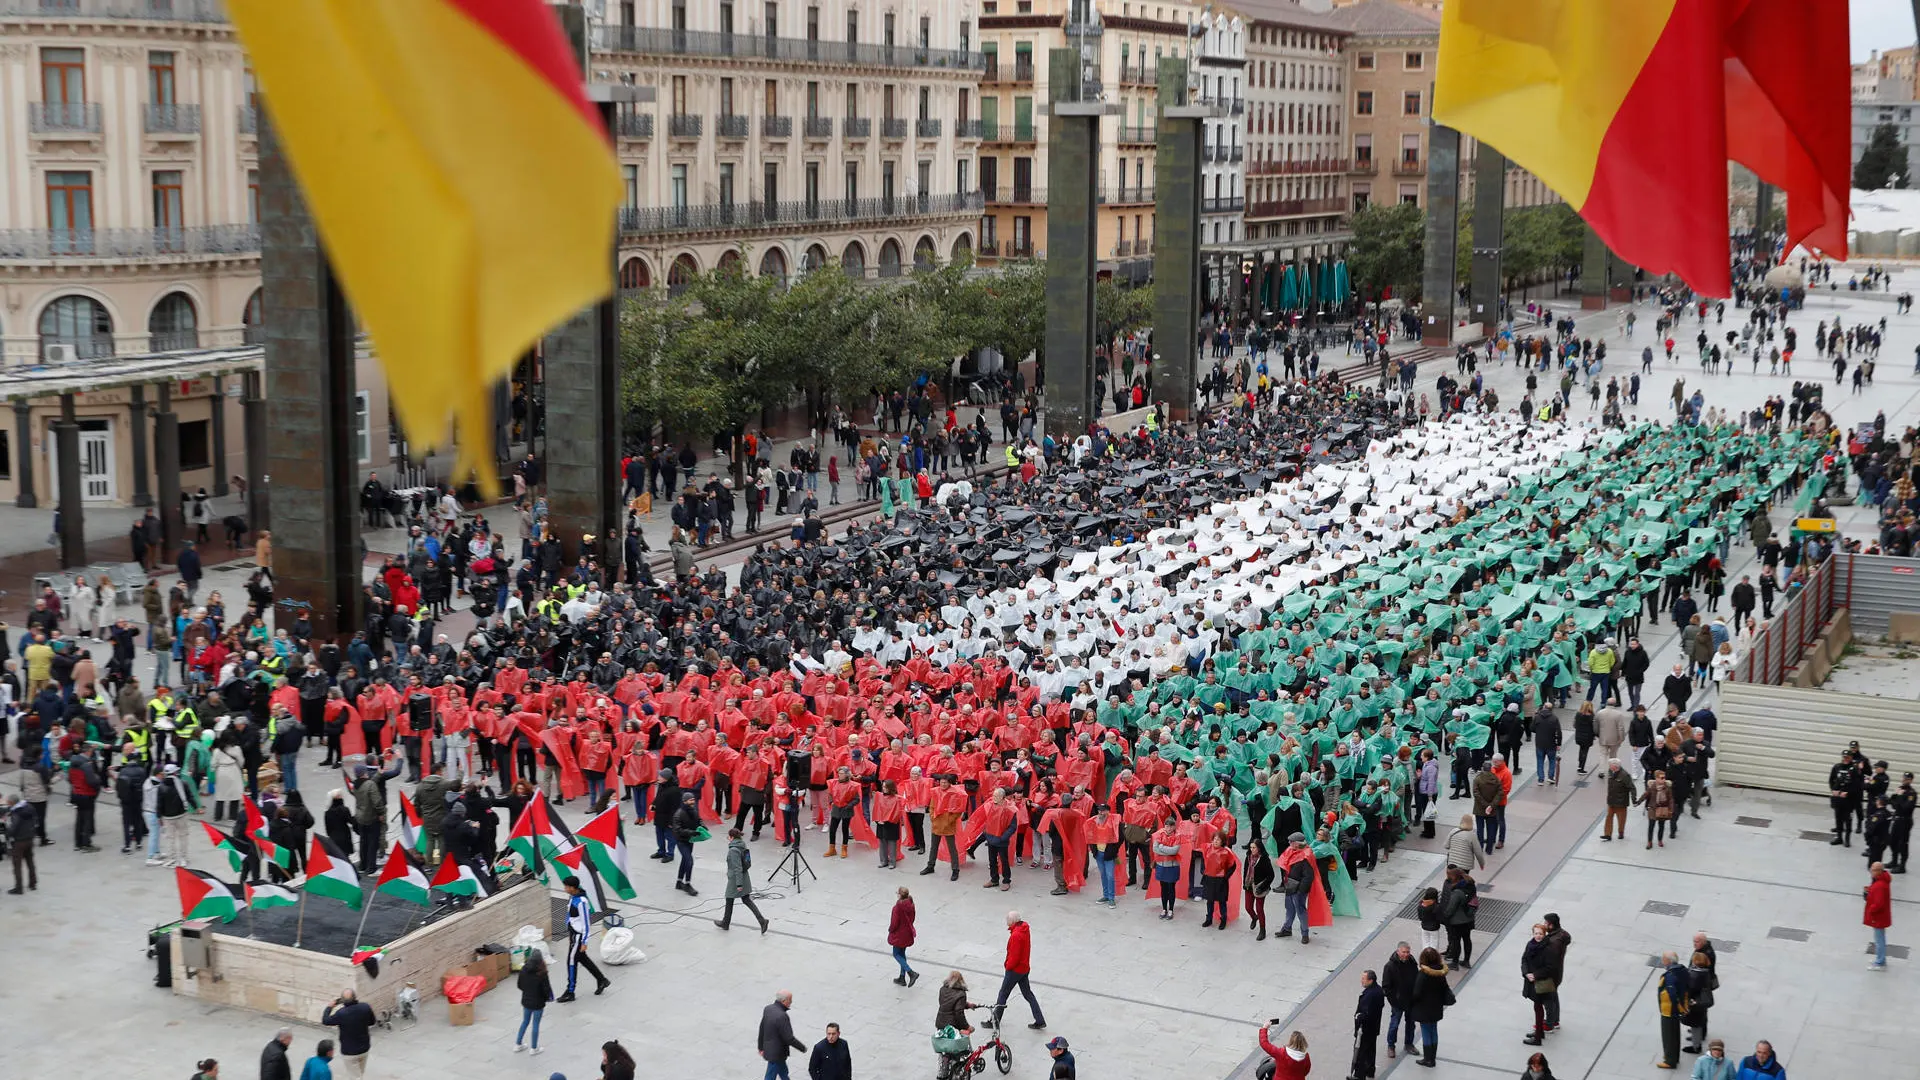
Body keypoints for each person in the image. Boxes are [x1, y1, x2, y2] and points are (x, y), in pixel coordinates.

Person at [987, 910, 1046, 1030]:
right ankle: (1040, 1020)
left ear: (1012, 921)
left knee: (1003, 994)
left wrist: (1007, 966)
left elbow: (1014, 956)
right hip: (1024, 968)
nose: (1006, 924)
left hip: (1015, 970)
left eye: (1007, 921)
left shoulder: (1016, 935)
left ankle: (995, 1021)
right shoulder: (1024, 929)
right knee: (1028, 994)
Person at [558, 875, 610, 1001]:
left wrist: (584, 941)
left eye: (566, 886)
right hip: (573, 933)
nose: (564, 888)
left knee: (571, 961)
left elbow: (586, 923)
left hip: (578, 936)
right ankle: (602, 979)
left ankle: (570, 991)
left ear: (572, 888)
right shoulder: (573, 897)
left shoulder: (582, 902)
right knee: (582, 959)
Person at [1406, 946, 1455, 1068]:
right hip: (1436, 1007)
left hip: (1424, 1009)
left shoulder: (1423, 974)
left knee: (1426, 1032)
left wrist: (1411, 1002)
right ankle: (1432, 1057)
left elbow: (1416, 993)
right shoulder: (1440, 972)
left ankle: (1428, 1059)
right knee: (1433, 1030)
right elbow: (1444, 988)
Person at [715, 827, 769, 933]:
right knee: (746, 899)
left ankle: (725, 923)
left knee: (729, 898)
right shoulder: (741, 845)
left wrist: (739, 884)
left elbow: (737, 868)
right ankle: (762, 921)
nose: (728, 839)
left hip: (736, 879)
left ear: (732, 837)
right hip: (744, 877)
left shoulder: (733, 850)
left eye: (728, 837)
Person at [319, 989, 375, 1079]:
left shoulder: (341, 1013)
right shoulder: (365, 1007)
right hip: (364, 1048)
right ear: (355, 997)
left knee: (355, 1077)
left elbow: (325, 1020)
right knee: (359, 1074)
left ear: (342, 1000)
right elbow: (372, 1022)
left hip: (349, 1052)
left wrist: (329, 1007)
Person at [1380, 942, 1419, 1060]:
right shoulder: (1390, 966)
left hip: (1411, 1000)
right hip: (1398, 1002)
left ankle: (1409, 1044)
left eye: (1408, 952)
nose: (1406, 954)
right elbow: (1386, 987)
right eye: (1404, 952)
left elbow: (1416, 979)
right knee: (1394, 1024)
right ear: (1398, 952)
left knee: (1411, 1024)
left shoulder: (1412, 963)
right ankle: (1391, 1045)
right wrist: (1394, 1000)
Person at [758, 990, 807, 1080]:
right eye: (790, 1000)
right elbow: (789, 1038)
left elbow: (762, 1028)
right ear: (784, 1001)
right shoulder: (782, 1016)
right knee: (770, 1076)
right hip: (777, 1053)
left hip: (770, 1050)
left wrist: (760, 1047)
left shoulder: (768, 1008)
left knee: (783, 1072)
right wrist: (802, 1048)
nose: (791, 1002)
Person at [1521, 923, 1555, 1046]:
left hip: (1540, 982)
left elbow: (1550, 967)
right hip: (1531, 980)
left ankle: (1538, 1038)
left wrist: (1535, 975)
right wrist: (1526, 973)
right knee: (1537, 1007)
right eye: (1536, 933)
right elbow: (1524, 959)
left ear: (1544, 934)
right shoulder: (1530, 944)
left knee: (1538, 1007)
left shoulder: (1547, 948)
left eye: (1540, 933)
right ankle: (1539, 1033)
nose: (1538, 936)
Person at [1655, 951, 1689, 1069]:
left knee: (1668, 1036)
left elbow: (1671, 993)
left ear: (1668, 961)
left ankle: (1669, 1061)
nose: (1662, 960)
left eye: (1663, 959)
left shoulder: (1669, 975)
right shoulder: (1682, 970)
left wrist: (1676, 1005)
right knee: (1675, 1034)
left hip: (1668, 1010)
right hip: (1678, 1009)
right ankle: (1674, 1057)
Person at [514, 949, 553, 1054]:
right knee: (535, 1024)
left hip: (526, 1001)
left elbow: (519, 985)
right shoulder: (542, 973)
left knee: (525, 1021)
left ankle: (518, 1044)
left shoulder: (524, 969)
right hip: (538, 1003)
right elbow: (546, 990)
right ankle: (534, 1048)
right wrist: (546, 998)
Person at [1352, 968, 1385, 1079]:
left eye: (1363, 979)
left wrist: (1358, 1017)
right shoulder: (1379, 990)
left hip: (1365, 1029)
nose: (1362, 981)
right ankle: (1370, 1071)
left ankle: (1359, 1075)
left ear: (1370, 980)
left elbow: (1366, 1014)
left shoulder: (1369, 995)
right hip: (1374, 1028)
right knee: (1371, 1050)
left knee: (1361, 1053)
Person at [1682, 948, 1715, 1053]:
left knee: (1695, 1025)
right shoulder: (1705, 971)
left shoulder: (1696, 975)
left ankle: (1696, 1046)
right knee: (1698, 1024)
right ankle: (1697, 1040)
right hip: (1701, 1005)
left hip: (1695, 1005)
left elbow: (1691, 988)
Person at [5, 794, 37, 894]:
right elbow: (35, 820)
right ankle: (33, 883)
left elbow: (14, 828)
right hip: (30, 838)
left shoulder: (16, 813)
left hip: (19, 841)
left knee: (17, 864)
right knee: (30, 861)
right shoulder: (28, 807)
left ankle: (19, 888)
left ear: (11, 803)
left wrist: (7, 834)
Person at [889, 886, 920, 986]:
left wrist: (891, 930)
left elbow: (894, 923)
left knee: (896, 954)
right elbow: (913, 918)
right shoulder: (911, 904)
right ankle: (902, 977)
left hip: (899, 934)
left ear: (899, 895)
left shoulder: (897, 908)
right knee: (902, 954)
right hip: (907, 932)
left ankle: (911, 972)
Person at [1865, 860, 1893, 970]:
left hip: (1878, 917)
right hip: (1881, 916)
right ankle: (1881, 959)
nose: (1871, 871)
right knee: (1879, 937)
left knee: (1879, 939)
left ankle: (1880, 962)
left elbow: (1879, 903)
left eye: (1873, 870)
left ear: (1879, 871)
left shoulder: (1880, 885)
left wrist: (1870, 909)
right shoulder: (1881, 882)